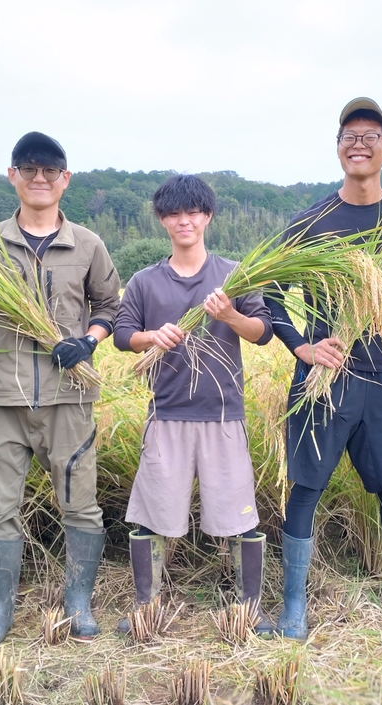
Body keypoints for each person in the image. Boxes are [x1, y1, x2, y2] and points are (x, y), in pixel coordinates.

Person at [263, 98, 382, 638]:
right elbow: (270, 294)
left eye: (370, 134)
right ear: (338, 148)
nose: (358, 142)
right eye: (348, 134)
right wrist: (300, 347)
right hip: (326, 378)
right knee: (305, 488)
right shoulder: (310, 221)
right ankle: (293, 608)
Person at [0, 131, 121, 651]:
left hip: (68, 397)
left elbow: (110, 308)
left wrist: (88, 343)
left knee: (81, 505)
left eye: (50, 170)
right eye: (28, 169)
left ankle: (79, 601)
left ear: (65, 179)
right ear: (13, 177)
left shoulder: (88, 244)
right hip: (2, 398)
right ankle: (1, 609)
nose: (39, 178)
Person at [113, 174, 275, 636]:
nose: (184, 221)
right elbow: (125, 334)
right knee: (153, 512)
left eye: (193, 212)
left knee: (238, 513)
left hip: (223, 414)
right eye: (173, 214)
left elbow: (262, 332)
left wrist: (229, 315)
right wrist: (153, 337)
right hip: (167, 414)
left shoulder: (235, 274)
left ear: (207, 216)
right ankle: (147, 607)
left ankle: (250, 609)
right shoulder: (145, 281)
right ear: (163, 220)